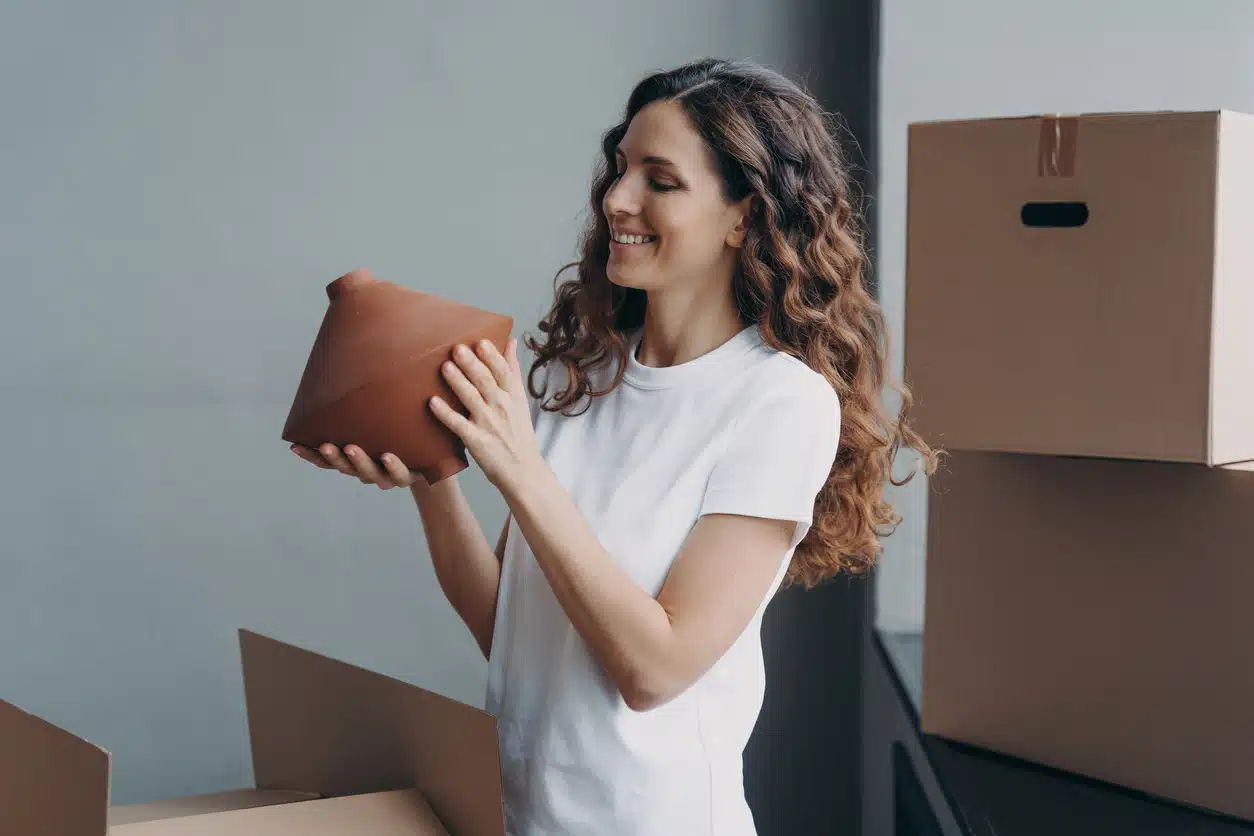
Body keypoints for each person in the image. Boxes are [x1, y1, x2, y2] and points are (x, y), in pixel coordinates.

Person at [291, 57, 936, 836]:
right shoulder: (590, 372)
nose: (616, 199)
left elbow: (655, 669)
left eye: (659, 180)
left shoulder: (780, 403)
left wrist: (520, 468)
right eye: (621, 168)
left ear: (744, 216)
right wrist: (435, 469)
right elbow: (507, 625)